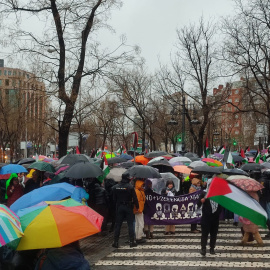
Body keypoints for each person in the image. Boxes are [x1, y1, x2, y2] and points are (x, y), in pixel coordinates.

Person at [112, 174, 139, 248]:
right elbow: (135, 198)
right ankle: (131, 242)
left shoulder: (115, 187)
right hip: (128, 207)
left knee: (118, 225)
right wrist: (137, 206)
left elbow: (114, 199)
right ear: (128, 178)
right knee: (130, 224)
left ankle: (116, 242)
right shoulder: (130, 187)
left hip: (119, 207)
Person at [197, 179, 222, 256]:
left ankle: (212, 248)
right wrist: (201, 201)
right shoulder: (204, 193)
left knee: (213, 234)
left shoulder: (219, 195)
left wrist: (217, 213)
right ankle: (203, 249)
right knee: (205, 234)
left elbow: (221, 206)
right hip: (206, 217)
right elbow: (198, 204)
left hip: (215, 218)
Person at [133, 179, 146, 243]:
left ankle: (137, 236)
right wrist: (137, 208)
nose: (143, 186)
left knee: (138, 224)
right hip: (139, 209)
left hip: (139, 209)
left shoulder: (139, 191)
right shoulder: (137, 191)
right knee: (140, 224)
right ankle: (139, 237)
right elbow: (137, 201)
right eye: (142, 185)